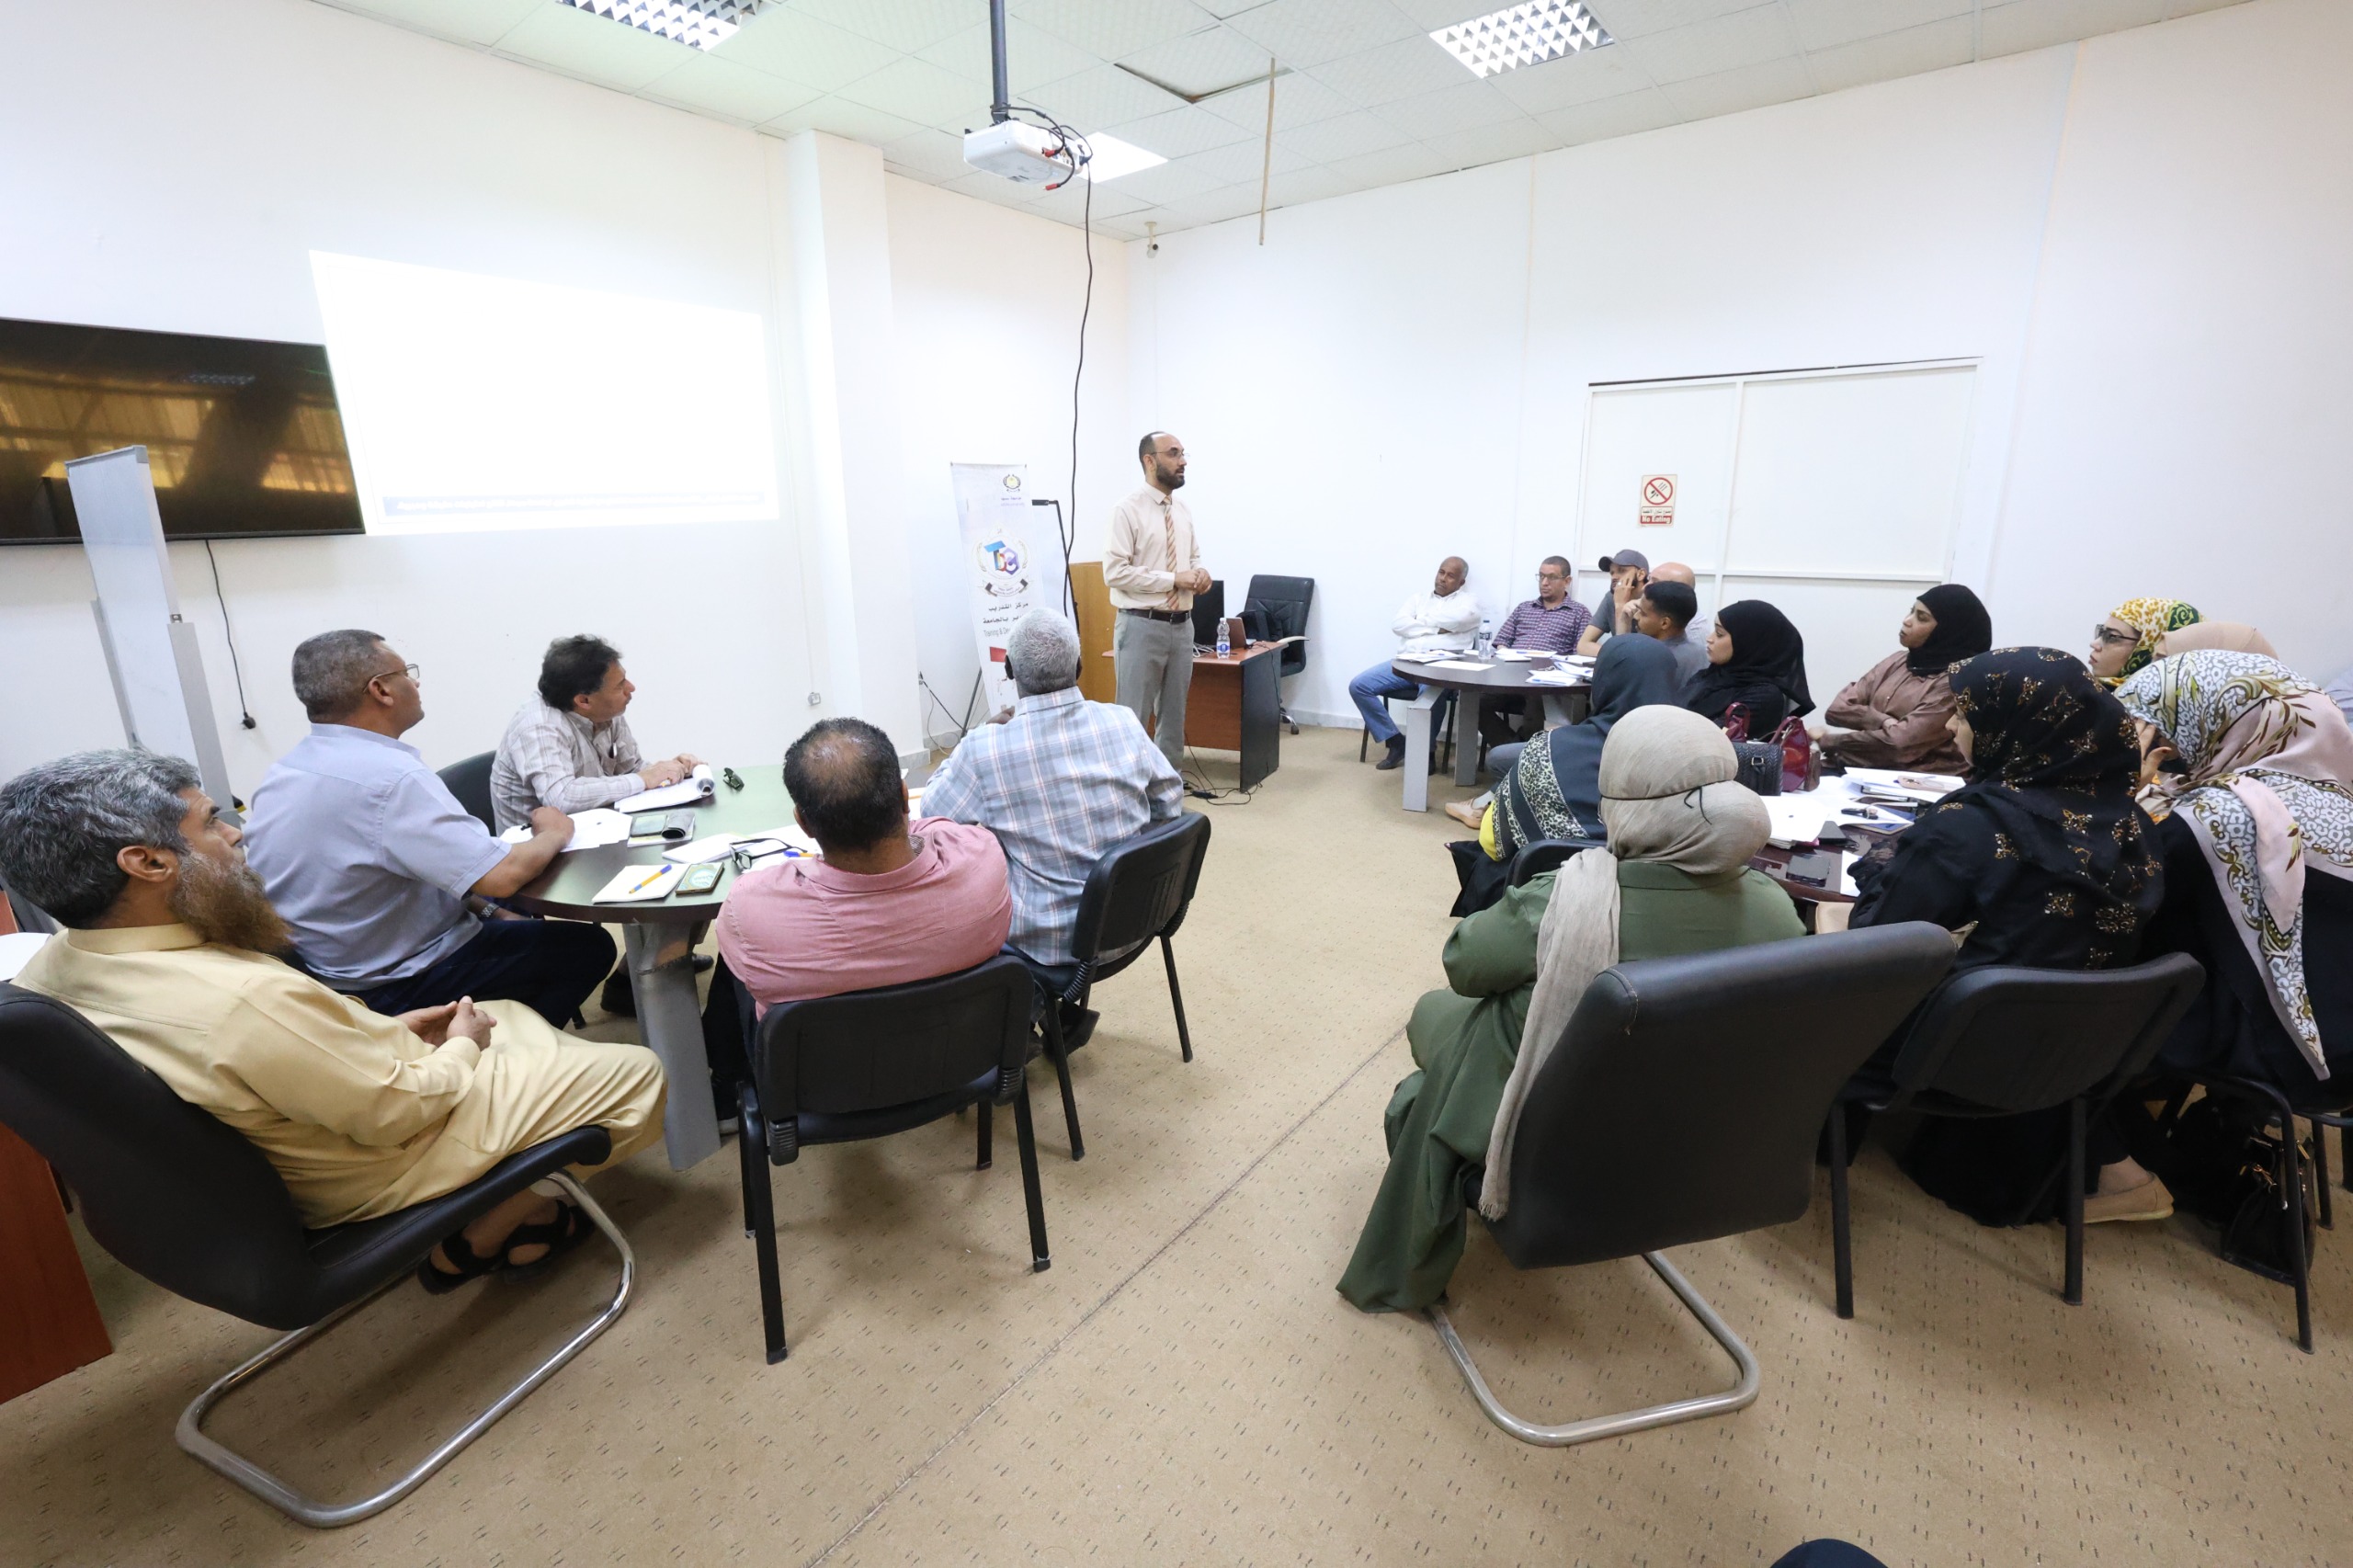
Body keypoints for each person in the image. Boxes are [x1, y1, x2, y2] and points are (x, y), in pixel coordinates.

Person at [0, 750, 665, 1293]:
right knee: (636, 1073)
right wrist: (457, 1049)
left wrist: (388, 1032)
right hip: (371, 1165)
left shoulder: (46, 969)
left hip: (264, 1160)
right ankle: (488, 1222)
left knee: (511, 1013)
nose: (236, 834)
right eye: (212, 822)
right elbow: (397, 1112)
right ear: (147, 862)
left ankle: (521, 1177)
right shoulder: (240, 1000)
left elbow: (259, 1064)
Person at [1337, 707, 1805, 1312]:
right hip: (1700, 1137)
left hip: (1557, 1132)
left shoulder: (1565, 897)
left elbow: (1466, 966)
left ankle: (1446, 1203)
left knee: (1439, 1036)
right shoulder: (1775, 909)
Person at [1843, 648, 2167, 1224]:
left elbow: (1877, 940)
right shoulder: (2133, 822)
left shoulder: (1969, 827)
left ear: (2012, 730)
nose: (1948, 726)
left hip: (1953, 1048)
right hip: (2071, 1053)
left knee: (1812, 964)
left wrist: (1878, 872)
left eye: (1964, 717)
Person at [244, 630, 615, 1028]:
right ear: (381, 690)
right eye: (407, 673)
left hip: (332, 972)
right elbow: (503, 876)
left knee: (523, 927)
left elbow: (404, 873)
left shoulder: (286, 770)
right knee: (588, 948)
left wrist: (488, 910)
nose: (415, 683)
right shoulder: (391, 778)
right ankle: (493, 1055)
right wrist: (555, 831)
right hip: (398, 980)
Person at [2118, 650, 2353, 1102]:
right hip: (2340, 1038)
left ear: (2208, 723)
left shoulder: (2219, 813)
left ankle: (2125, 1167)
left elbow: (2123, 898)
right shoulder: (2334, 795)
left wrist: (2120, 797)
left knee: (2053, 1035)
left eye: (2163, 731)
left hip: (2282, 1052)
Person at [921, 610, 1185, 1002]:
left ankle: (1025, 1018)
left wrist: (978, 734)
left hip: (1053, 946)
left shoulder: (986, 749)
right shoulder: (1124, 722)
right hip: (1138, 920)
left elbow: (933, 813)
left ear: (1009, 670)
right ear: (1079, 667)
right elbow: (1169, 804)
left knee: (944, 914)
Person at [717, 719, 1012, 1015]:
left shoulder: (748, 909)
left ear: (803, 823)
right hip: (963, 1050)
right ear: (905, 797)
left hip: (831, 1059)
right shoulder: (982, 857)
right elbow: (937, 827)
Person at [1487, 634, 1686, 860]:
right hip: (1655, 885)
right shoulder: (1694, 756)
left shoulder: (1548, 749)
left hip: (1551, 881)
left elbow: (1496, 841)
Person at [490, 634, 701, 831]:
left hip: (593, 832)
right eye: (620, 686)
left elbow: (632, 769)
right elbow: (561, 798)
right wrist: (644, 779)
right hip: (538, 855)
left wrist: (672, 771)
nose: (631, 688)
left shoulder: (607, 710)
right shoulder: (538, 725)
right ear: (584, 701)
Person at [1104, 431, 1209, 770]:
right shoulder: (1127, 510)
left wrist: (1200, 573)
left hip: (1182, 627)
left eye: (1182, 453)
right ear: (1150, 461)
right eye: (1173, 454)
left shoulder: (1183, 510)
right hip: (1140, 625)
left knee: (1174, 717)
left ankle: (1168, 789)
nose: (1183, 461)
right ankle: (1128, 791)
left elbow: (1192, 559)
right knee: (1132, 716)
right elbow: (1115, 573)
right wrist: (1172, 579)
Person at [1812, 585, 1992, 775]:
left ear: (1949, 631)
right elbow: (1836, 710)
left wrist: (1827, 741)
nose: (1906, 621)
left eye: (1921, 618)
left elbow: (1898, 745)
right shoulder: (1898, 660)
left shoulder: (1956, 682)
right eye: (1911, 611)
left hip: (1916, 783)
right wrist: (1882, 721)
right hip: (1861, 770)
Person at [1349, 556, 1480, 770]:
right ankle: (1396, 742)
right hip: (1406, 663)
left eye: (1450, 576)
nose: (1443, 578)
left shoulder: (1469, 602)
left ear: (1461, 582)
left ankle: (1426, 752)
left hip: (1441, 666)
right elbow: (1398, 624)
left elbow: (1461, 620)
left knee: (1430, 695)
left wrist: (1418, 622)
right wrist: (1438, 628)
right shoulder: (1418, 598)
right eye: (1441, 572)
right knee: (1359, 686)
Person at [1681, 599, 1813, 733]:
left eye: (1720, 634)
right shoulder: (1707, 676)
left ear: (1747, 642)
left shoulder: (1762, 695)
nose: (1710, 638)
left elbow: (1714, 736)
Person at [2087, 597, 2201, 687]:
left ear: (2149, 648)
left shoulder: (2154, 712)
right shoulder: (2094, 696)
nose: (2094, 644)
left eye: (2112, 636)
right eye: (2101, 632)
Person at [1491, 556, 1591, 655]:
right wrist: (1508, 656)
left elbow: (1581, 653)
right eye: (1541, 576)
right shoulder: (1523, 608)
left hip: (1550, 668)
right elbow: (1501, 641)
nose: (1544, 583)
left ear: (1567, 581)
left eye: (1552, 577)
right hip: (1513, 665)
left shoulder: (1579, 613)